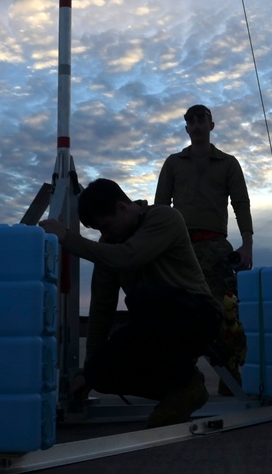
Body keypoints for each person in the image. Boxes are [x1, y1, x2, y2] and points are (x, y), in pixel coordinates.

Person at [40, 179, 223, 428]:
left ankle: (182, 383)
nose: (105, 235)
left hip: (197, 319)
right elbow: (102, 307)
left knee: (143, 298)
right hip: (152, 326)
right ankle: (185, 388)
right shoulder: (109, 246)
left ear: (122, 208)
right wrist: (89, 369)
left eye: (106, 226)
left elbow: (128, 257)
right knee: (99, 372)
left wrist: (68, 238)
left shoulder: (164, 218)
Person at [154, 104, 252, 395]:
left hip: (215, 247)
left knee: (225, 312)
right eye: (191, 121)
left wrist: (247, 244)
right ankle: (184, 377)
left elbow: (241, 203)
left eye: (201, 119)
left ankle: (230, 374)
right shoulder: (173, 163)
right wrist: (158, 247)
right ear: (186, 128)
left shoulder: (228, 163)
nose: (196, 125)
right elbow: (161, 207)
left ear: (211, 125)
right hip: (180, 248)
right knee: (179, 312)